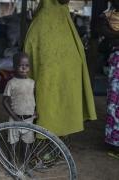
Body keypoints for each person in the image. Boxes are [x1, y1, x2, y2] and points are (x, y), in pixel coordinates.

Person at [24, 0, 97, 137]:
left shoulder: (52, 18)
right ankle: (46, 140)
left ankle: (50, 138)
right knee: (48, 95)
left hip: (54, 54)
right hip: (49, 53)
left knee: (54, 95)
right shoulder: (49, 19)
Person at [2, 53, 36, 162]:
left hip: (29, 119)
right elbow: (4, 102)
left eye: (27, 65)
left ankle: (25, 165)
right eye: (20, 65)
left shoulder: (32, 83)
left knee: (27, 143)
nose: (24, 68)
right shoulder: (11, 83)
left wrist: (36, 111)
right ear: (14, 67)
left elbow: (36, 98)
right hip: (14, 119)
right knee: (12, 142)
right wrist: (14, 116)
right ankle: (11, 164)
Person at [97, 0, 119, 158]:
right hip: (116, 61)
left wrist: (113, 37)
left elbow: (108, 37)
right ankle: (114, 142)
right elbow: (103, 33)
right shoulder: (108, 15)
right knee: (114, 102)